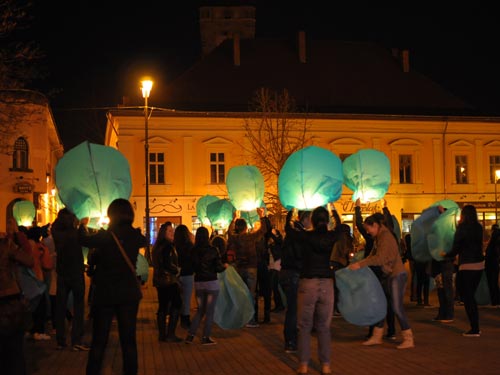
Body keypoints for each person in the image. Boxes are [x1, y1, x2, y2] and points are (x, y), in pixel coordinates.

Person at [79, 198, 147, 375]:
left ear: (112, 215)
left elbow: (84, 240)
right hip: (129, 294)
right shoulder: (135, 235)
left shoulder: (106, 236)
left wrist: (82, 225)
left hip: (105, 293)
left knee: (99, 340)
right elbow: (143, 241)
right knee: (128, 341)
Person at [349, 212, 415, 349]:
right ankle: (377, 336)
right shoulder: (379, 237)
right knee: (382, 305)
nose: (368, 232)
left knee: (396, 307)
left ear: (375, 225)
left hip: (396, 274)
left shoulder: (385, 237)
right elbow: (373, 255)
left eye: (368, 229)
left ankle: (408, 338)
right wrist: (360, 263)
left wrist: (360, 264)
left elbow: (381, 258)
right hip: (390, 275)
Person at [287, 206, 339, 375]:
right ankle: (326, 365)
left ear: (313, 221)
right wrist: (334, 211)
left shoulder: (306, 236)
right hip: (326, 283)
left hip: (308, 282)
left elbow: (289, 230)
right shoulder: (331, 237)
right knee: (324, 326)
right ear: (327, 220)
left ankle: (303, 364)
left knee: (304, 326)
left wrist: (292, 212)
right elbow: (341, 228)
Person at [354, 198, 396, 341]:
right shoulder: (389, 232)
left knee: (374, 299)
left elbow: (359, 225)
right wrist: (385, 208)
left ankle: (374, 331)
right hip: (385, 271)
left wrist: (357, 208)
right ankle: (391, 330)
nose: (368, 231)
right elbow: (389, 223)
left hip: (374, 270)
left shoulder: (377, 235)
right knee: (387, 300)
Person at [442, 204, 484, 336]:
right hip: (479, 265)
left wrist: (446, 254)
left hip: (467, 266)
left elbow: (457, 247)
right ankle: (475, 327)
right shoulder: (478, 228)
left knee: (467, 297)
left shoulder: (462, 228)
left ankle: (475, 329)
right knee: (470, 296)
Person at [51, 208, 88, 351]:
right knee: (79, 307)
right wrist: (82, 224)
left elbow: (55, 226)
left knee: (60, 307)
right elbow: (87, 240)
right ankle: (76, 339)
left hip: (62, 274)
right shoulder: (76, 232)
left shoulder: (57, 232)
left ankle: (60, 341)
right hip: (77, 273)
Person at [0, 225, 34, 375]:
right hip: (9, 301)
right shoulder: (6, 244)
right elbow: (29, 260)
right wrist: (20, 240)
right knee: (14, 350)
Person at [185, 226, 227, 345]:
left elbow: (191, 266)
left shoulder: (193, 251)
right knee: (209, 311)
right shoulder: (213, 250)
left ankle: (190, 335)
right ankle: (205, 337)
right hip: (211, 284)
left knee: (200, 310)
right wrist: (225, 266)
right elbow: (218, 268)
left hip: (198, 283)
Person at [226, 207, 267, 328]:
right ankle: (251, 319)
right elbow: (263, 230)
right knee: (251, 294)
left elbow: (229, 233)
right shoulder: (251, 237)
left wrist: (233, 219)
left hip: (240, 268)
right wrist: (262, 216)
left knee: (242, 294)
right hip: (252, 268)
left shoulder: (235, 238)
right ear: (246, 227)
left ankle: (242, 318)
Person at [279, 209, 311, 354]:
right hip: (294, 273)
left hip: (287, 272)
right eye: (310, 218)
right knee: (294, 309)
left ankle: (291, 339)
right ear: (304, 219)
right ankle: (291, 341)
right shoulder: (298, 235)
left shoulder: (292, 232)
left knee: (292, 308)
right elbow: (299, 255)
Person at [151, 222, 183, 342]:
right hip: (169, 280)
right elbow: (168, 264)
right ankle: (170, 334)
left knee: (163, 306)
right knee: (176, 304)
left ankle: (162, 334)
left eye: (172, 231)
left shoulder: (157, 246)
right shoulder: (168, 246)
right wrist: (177, 269)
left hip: (159, 280)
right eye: (170, 231)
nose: (172, 233)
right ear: (164, 233)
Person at [174, 224, 195, 329]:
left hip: (176, 275)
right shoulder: (190, 246)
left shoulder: (174, 246)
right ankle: (185, 319)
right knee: (186, 298)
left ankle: (175, 318)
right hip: (188, 274)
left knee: (178, 297)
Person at [484, 224, 500, 307]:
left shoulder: (492, 243)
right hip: (495, 264)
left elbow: (488, 255)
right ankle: (496, 300)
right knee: (494, 283)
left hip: (491, 265)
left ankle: (495, 301)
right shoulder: (496, 243)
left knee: (492, 283)